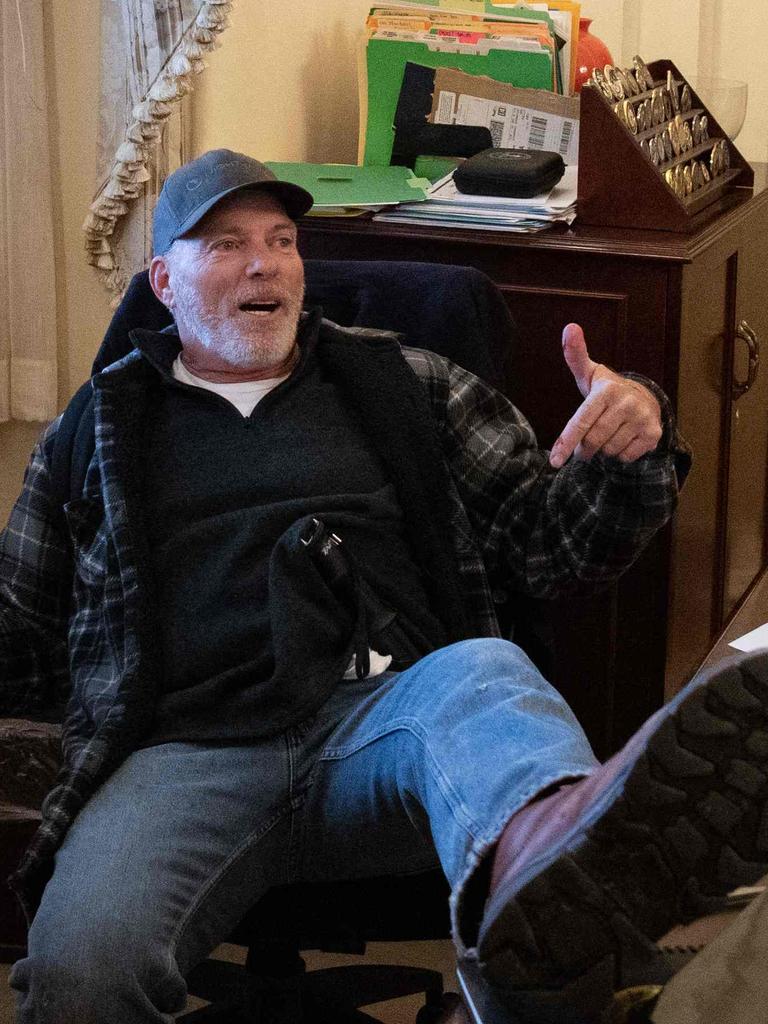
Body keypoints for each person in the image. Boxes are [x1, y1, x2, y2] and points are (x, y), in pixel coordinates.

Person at [3, 147, 767, 1024]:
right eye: (225, 245)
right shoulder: (94, 428)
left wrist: (626, 453)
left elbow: (549, 549)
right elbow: (21, 626)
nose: (265, 263)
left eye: (284, 240)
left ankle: (560, 895)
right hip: (184, 752)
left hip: (393, 721)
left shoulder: (404, 381)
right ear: (164, 282)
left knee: (484, 670)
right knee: (77, 972)